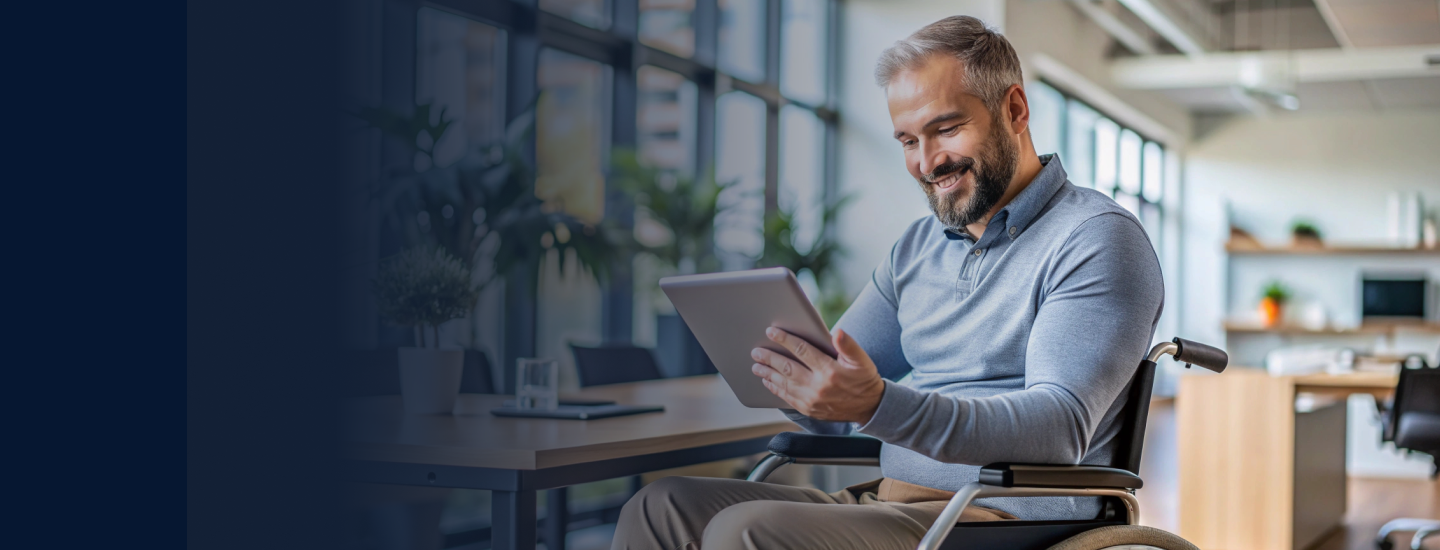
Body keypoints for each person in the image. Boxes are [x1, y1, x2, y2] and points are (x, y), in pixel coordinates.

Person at [612, 15, 1163, 550]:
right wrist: (797, 381)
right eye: (907, 140)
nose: (927, 162)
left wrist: (877, 404)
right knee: (661, 506)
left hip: (1000, 515)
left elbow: (1059, 427)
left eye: (946, 129)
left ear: (1014, 109)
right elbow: (830, 396)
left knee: (744, 531)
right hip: (893, 504)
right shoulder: (917, 249)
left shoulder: (1094, 239)